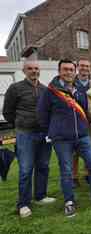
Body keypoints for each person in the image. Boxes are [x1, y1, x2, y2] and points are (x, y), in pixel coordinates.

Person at [38, 59, 91, 218]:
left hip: (82, 136)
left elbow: (85, 111)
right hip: (62, 139)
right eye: (65, 69)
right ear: (59, 71)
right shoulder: (50, 91)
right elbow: (42, 115)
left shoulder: (79, 90)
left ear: (75, 71)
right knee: (66, 171)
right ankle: (69, 202)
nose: (68, 72)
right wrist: (53, 131)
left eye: (71, 69)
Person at [3, 60, 55, 218]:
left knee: (43, 166)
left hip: (44, 134)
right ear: (24, 71)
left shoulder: (45, 89)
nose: (34, 71)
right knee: (26, 169)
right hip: (25, 134)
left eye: (36, 68)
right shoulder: (15, 88)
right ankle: (23, 204)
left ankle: (40, 196)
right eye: (30, 69)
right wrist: (20, 124)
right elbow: (7, 112)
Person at [73, 59, 91, 188]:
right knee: (74, 151)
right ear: (77, 67)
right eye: (82, 66)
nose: (84, 68)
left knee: (90, 148)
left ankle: (87, 173)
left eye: (87, 66)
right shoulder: (71, 83)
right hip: (75, 122)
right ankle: (74, 176)